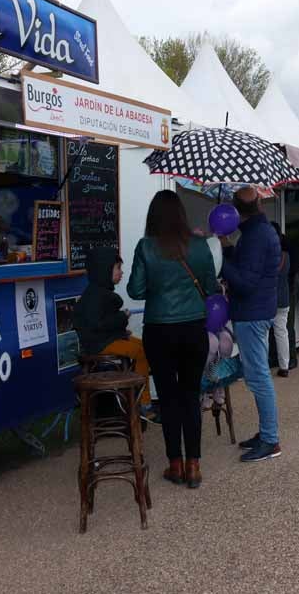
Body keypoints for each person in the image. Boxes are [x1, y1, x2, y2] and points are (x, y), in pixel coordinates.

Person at [127, 190, 219, 487]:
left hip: (159, 330)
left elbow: (136, 291)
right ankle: (194, 466)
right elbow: (209, 285)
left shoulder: (146, 247)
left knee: (167, 398)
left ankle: (175, 464)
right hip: (193, 328)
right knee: (191, 396)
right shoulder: (200, 246)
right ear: (181, 214)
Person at [219, 186, 282, 463]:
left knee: (258, 378)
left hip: (252, 314)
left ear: (236, 211)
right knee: (257, 375)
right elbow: (249, 268)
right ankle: (265, 433)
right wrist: (228, 247)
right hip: (257, 311)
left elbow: (245, 282)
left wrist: (220, 261)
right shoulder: (258, 232)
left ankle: (270, 440)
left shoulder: (256, 236)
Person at [73, 247, 152, 407]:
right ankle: (143, 401)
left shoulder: (99, 293)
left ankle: (134, 391)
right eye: (118, 268)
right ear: (105, 270)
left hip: (105, 339)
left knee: (143, 345)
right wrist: (122, 317)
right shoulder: (97, 296)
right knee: (140, 351)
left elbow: (103, 323)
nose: (121, 272)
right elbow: (98, 324)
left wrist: (121, 330)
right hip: (99, 344)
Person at [271, 223, 292, 377]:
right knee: (281, 333)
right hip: (283, 297)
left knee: (263, 334)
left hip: (267, 299)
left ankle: (262, 367)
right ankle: (284, 366)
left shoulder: (264, 254)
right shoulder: (286, 255)